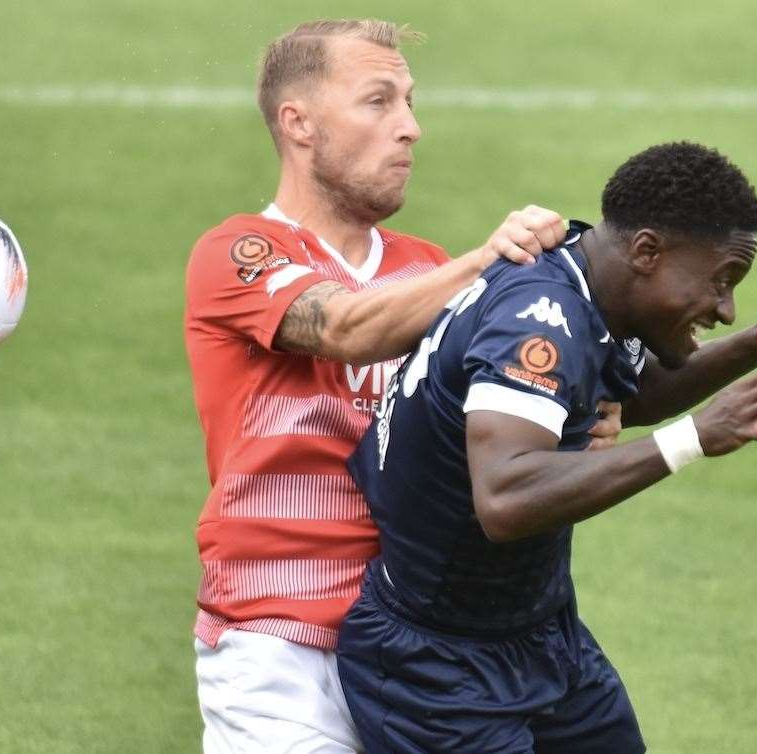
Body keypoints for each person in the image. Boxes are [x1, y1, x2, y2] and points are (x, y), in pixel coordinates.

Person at [337, 142, 757, 753]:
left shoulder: (590, 280)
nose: (724, 308)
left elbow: (633, 392)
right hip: (437, 667)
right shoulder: (539, 318)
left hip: (540, 635)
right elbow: (505, 497)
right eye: (720, 281)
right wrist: (692, 437)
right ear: (646, 251)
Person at [184, 19, 621, 753]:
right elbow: (343, 328)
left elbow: (484, 429)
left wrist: (579, 420)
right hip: (281, 645)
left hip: (423, 648)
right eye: (378, 102)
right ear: (299, 124)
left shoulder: (428, 266)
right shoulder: (237, 253)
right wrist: (487, 264)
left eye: (410, 103)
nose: (410, 128)